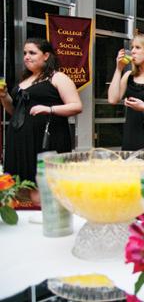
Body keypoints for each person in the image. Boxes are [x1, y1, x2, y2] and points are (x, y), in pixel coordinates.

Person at [0, 38, 82, 202]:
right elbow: (14, 111)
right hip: (19, 142)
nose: (26, 57)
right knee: (18, 187)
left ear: (46, 56)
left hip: (46, 141)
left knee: (41, 187)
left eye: (32, 53)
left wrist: (49, 109)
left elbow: (76, 106)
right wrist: (4, 97)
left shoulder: (57, 77)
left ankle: (45, 220)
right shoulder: (24, 81)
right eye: (24, 53)